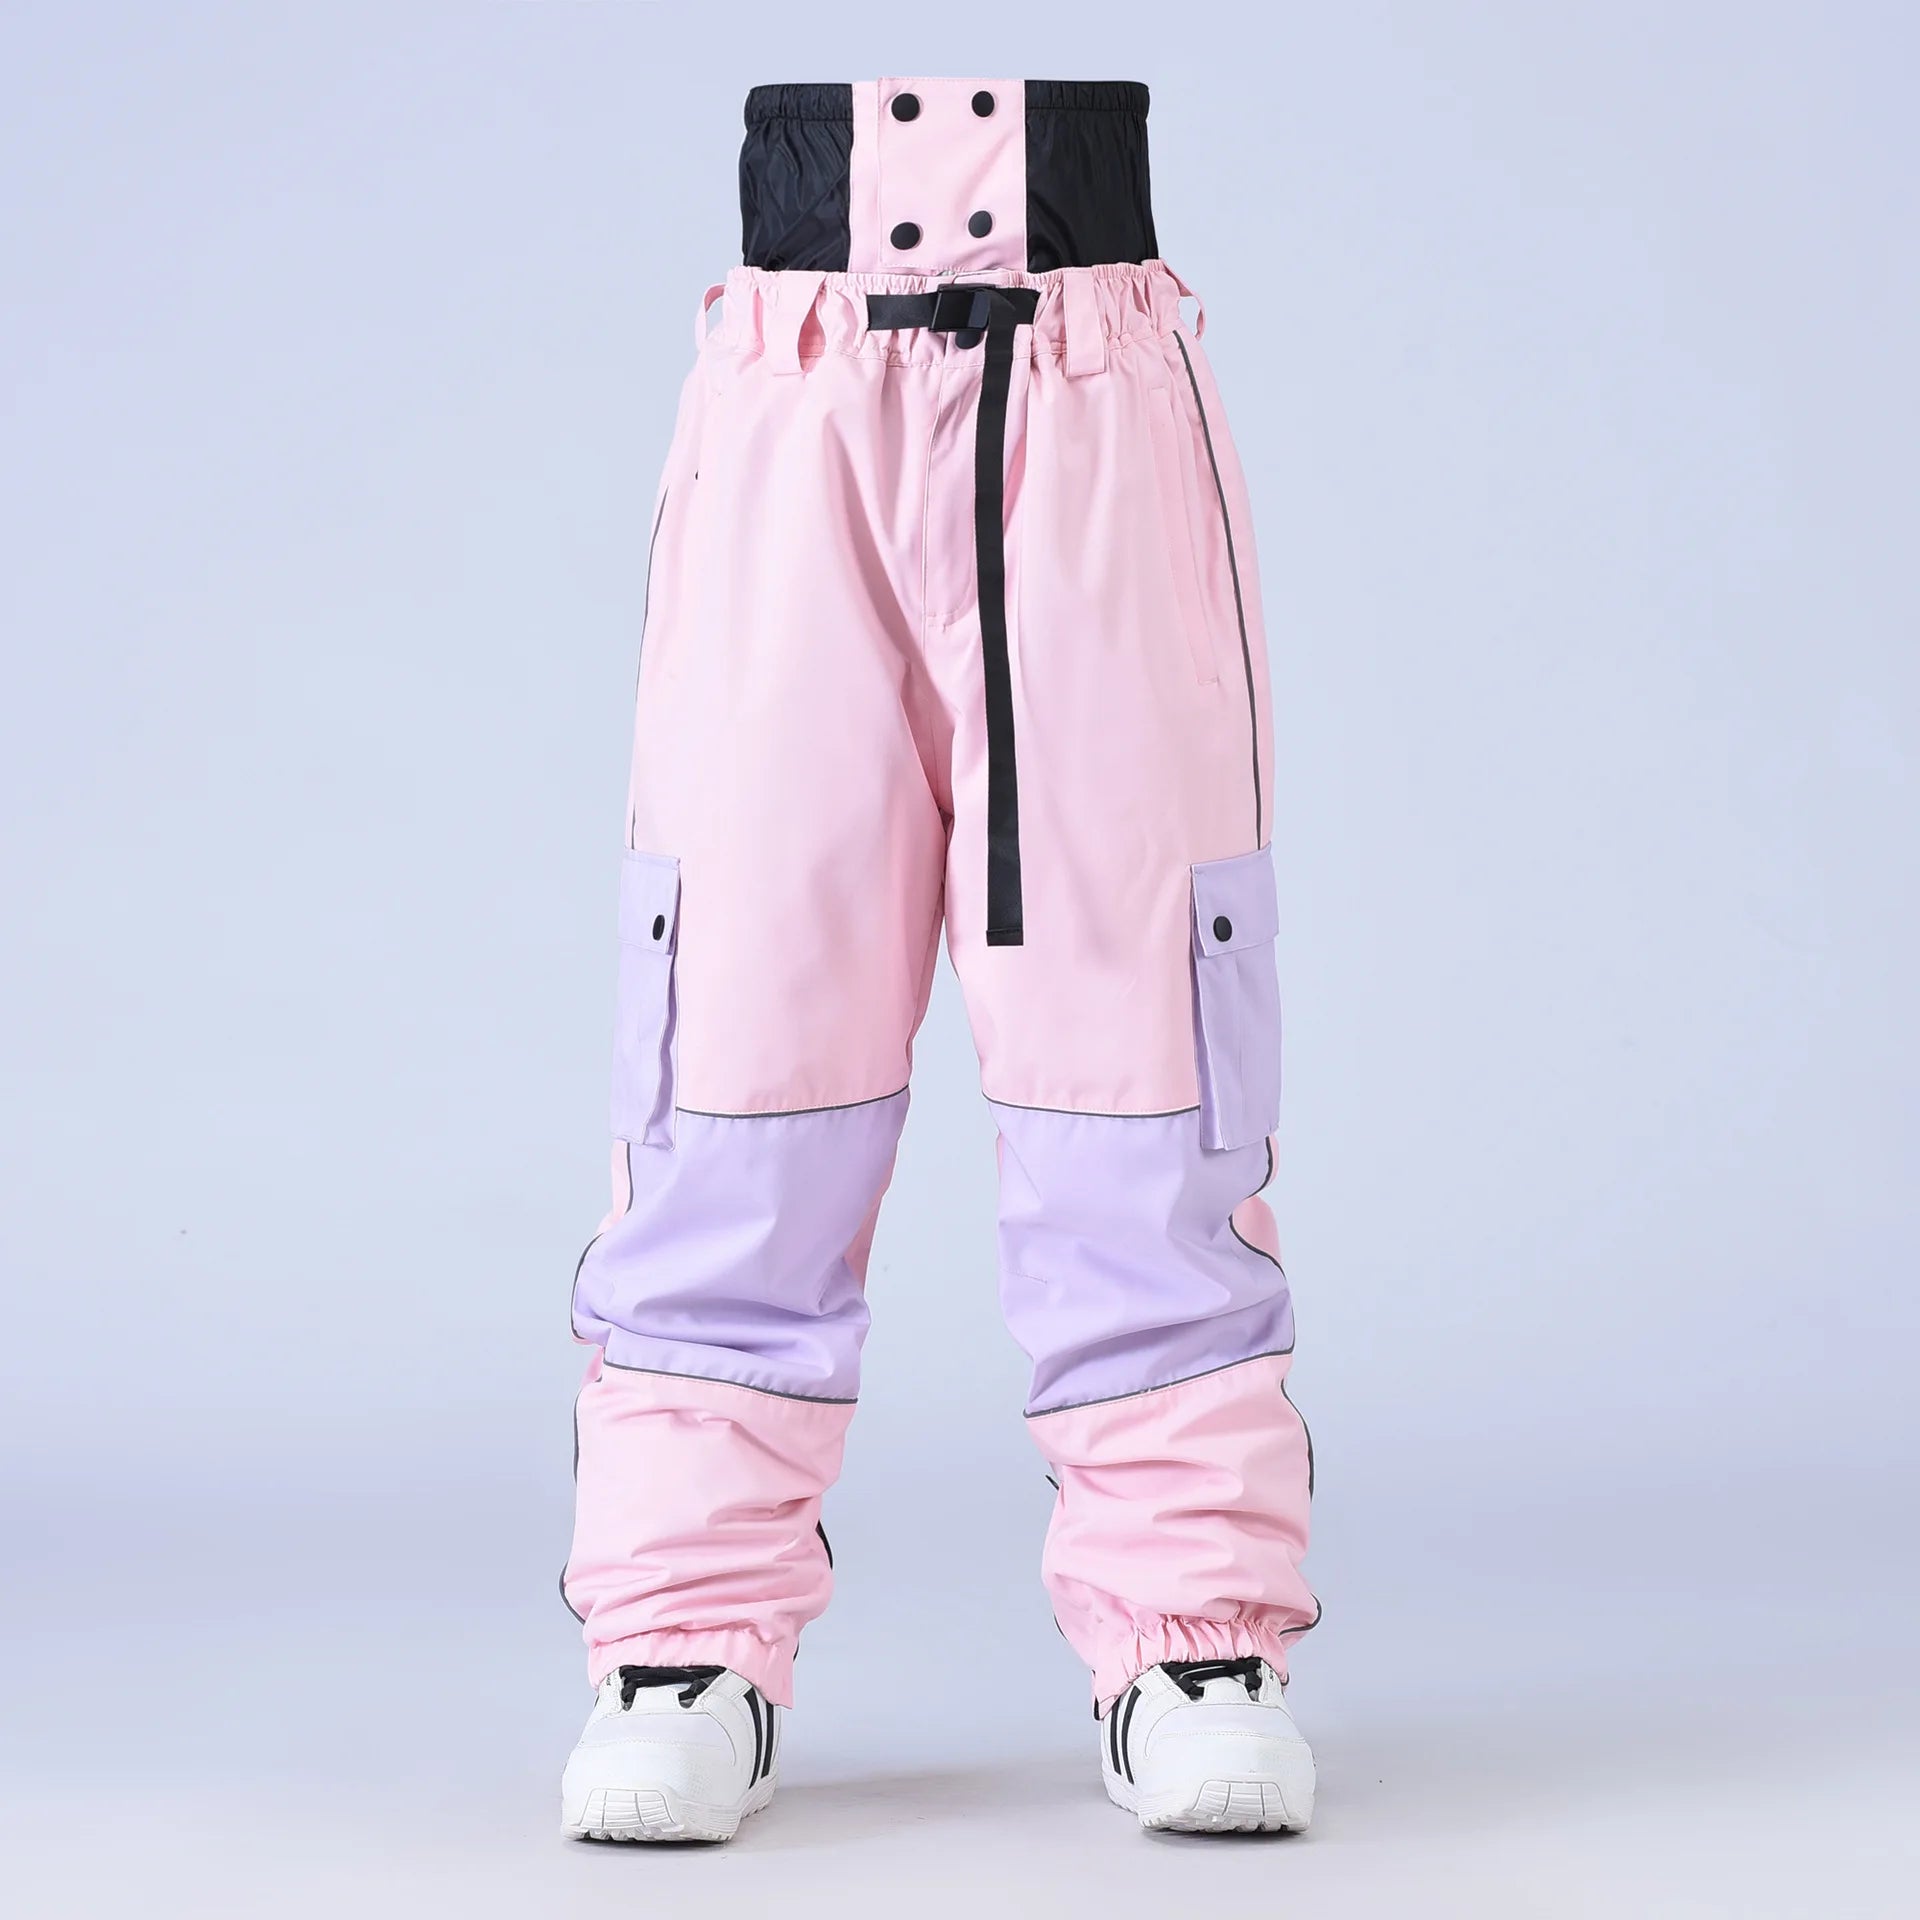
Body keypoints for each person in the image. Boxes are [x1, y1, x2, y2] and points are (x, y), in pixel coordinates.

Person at [558, 77, 1317, 1843]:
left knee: (1145, 1048)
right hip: (794, 387)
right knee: (736, 1042)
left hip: (1092, 382)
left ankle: (1193, 1638)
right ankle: (682, 1644)